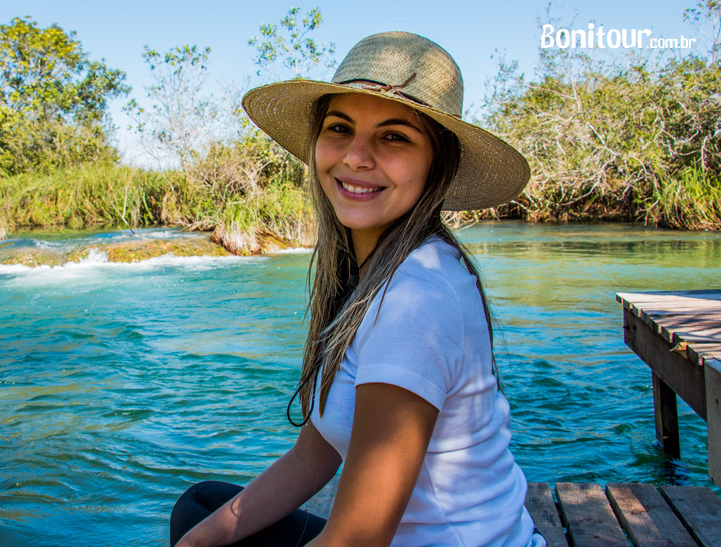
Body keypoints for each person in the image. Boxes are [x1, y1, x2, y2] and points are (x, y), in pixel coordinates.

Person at [170, 32, 544, 546]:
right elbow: (314, 453)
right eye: (339, 128)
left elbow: (355, 541)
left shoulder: (419, 298)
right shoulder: (373, 273)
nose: (356, 157)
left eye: (393, 137)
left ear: (438, 162)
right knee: (202, 512)